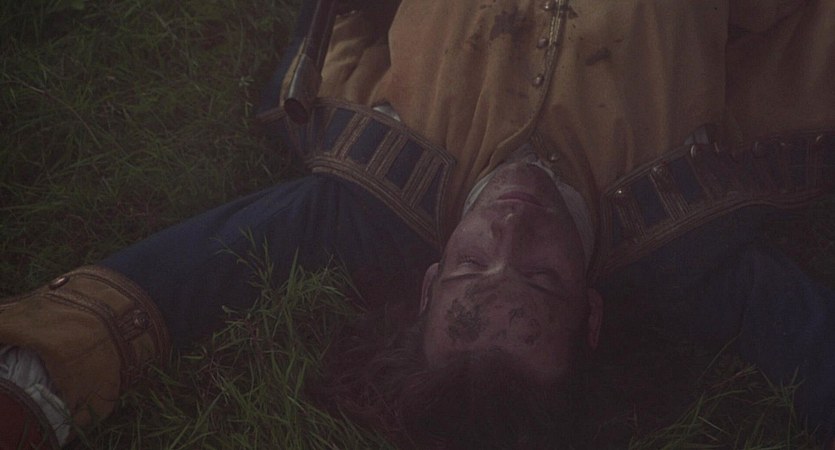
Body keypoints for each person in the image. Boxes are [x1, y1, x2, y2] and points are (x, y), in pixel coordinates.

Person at [1, 0, 834, 448]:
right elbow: (808, 345)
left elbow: (197, 270)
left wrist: (34, 385)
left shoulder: (378, 199)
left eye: (470, 269)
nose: (509, 229)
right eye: (540, 278)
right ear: (590, 313)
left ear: (430, 284)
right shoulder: (680, 240)